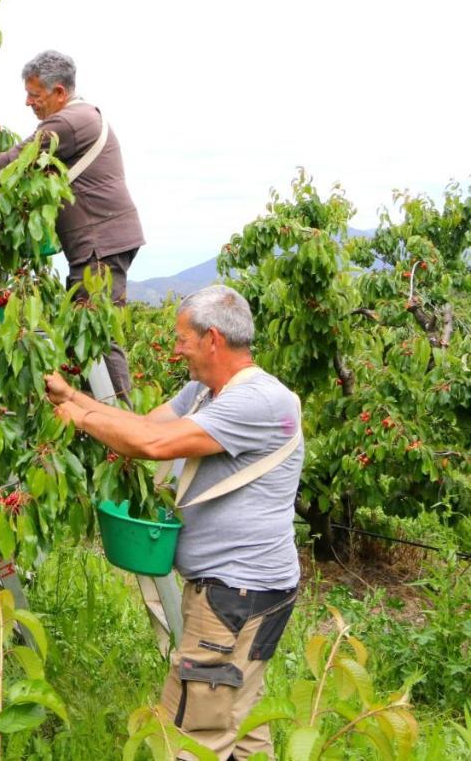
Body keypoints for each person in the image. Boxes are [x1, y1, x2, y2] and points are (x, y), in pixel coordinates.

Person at [45, 285, 303, 759]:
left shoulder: (260, 402)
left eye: (182, 338)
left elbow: (152, 446)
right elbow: (145, 424)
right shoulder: (204, 392)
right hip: (244, 591)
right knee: (239, 720)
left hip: (237, 595)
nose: (175, 348)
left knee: (192, 732)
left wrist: (77, 419)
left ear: (212, 340)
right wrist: (73, 397)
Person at [0, 50, 143, 399]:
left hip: (100, 242)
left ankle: (121, 424)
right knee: (84, 331)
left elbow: (14, 162)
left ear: (59, 92)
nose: (28, 102)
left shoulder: (69, 122)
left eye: (35, 95)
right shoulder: (82, 118)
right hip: (99, 241)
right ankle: (102, 417)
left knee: (98, 334)